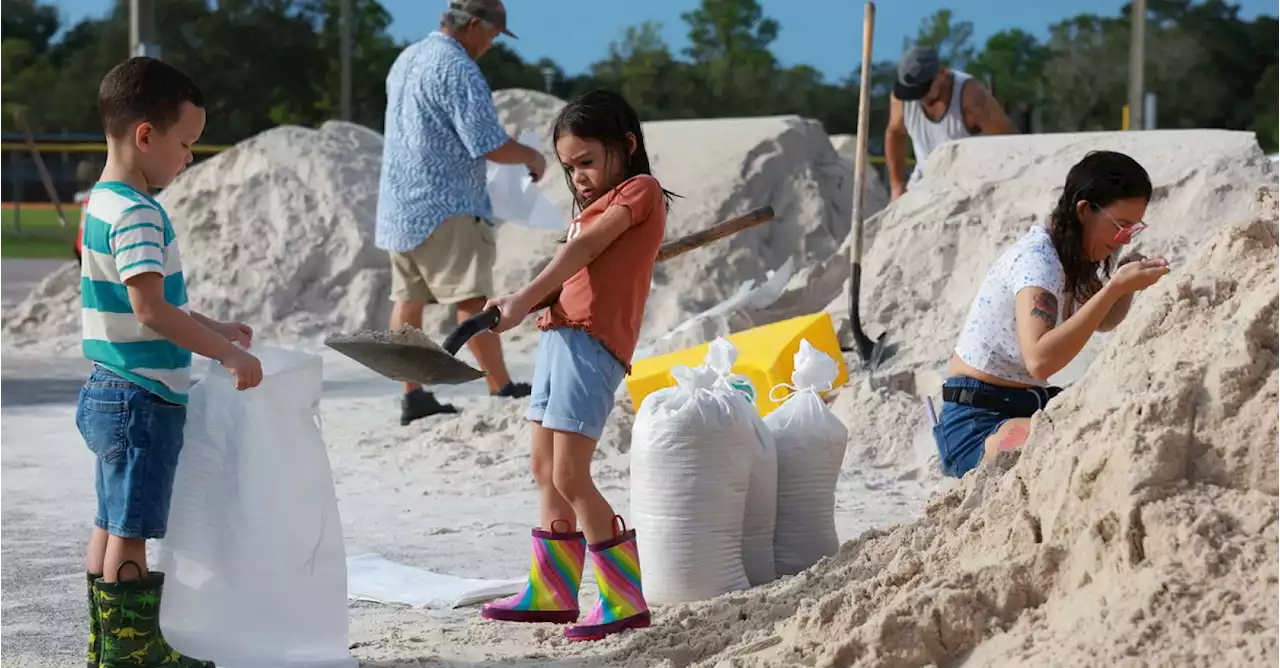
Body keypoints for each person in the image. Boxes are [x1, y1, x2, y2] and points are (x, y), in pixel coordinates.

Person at [78, 56, 263, 667]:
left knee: (109, 520)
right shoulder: (137, 213)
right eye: (185, 143)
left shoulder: (100, 204)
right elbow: (153, 312)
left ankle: (106, 643)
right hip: (141, 395)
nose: (189, 158)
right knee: (130, 527)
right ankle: (134, 653)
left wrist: (210, 324)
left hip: (108, 385)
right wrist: (228, 351)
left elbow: (149, 308)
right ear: (145, 136)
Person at [477, 90, 673, 641]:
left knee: (570, 473)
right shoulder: (592, 209)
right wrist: (519, 300)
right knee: (545, 470)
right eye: (570, 167)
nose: (579, 176)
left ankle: (622, 597)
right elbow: (571, 271)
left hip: (592, 346)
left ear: (626, 146)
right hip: (559, 337)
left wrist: (523, 296)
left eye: (587, 161)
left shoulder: (641, 190)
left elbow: (579, 255)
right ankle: (553, 591)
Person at [933, 150, 1172, 478]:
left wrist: (1124, 285)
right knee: (1071, 441)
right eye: (1120, 226)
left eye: (1133, 230)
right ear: (1084, 210)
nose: (1124, 239)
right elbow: (1040, 359)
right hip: (976, 420)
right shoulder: (1039, 262)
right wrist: (1114, 288)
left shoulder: (1071, 256)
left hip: (1027, 403)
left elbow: (1102, 321)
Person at [375, 0, 547, 426]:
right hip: (447, 204)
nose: (490, 45)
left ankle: (413, 395)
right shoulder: (458, 67)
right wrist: (531, 156)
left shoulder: (407, 57)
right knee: (471, 298)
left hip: (399, 205)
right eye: (490, 36)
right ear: (474, 25)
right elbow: (486, 141)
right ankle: (501, 385)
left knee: (407, 301)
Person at [885, 46, 1016, 200]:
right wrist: (896, 184)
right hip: (924, 182)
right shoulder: (902, 100)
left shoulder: (971, 96)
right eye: (913, 93)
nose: (920, 98)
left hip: (969, 185)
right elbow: (894, 133)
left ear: (941, 74)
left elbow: (1010, 141)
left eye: (923, 91)